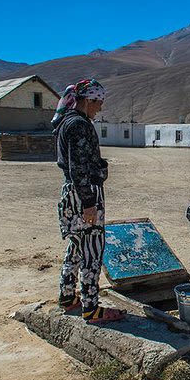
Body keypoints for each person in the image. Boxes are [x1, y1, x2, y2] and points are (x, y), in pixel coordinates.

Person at [51, 79, 126, 323]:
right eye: (99, 103)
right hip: (85, 193)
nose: (100, 108)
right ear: (88, 100)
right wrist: (89, 203)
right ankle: (91, 307)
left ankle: (66, 295)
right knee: (92, 249)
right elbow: (79, 167)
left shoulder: (67, 122)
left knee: (76, 244)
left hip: (73, 192)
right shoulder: (79, 125)